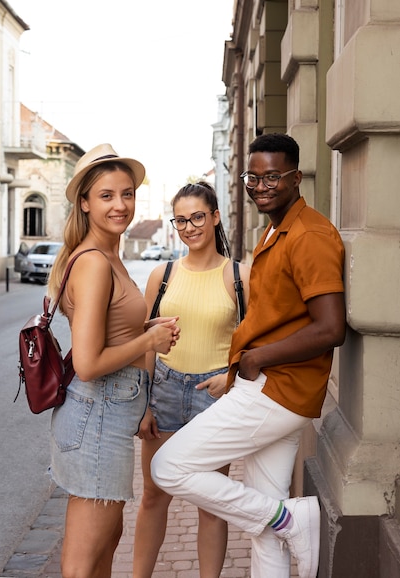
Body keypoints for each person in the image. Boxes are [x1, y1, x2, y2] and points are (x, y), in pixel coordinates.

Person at [151, 133, 346, 578]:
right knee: (264, 525)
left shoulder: (311, 235)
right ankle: (283, 519)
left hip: (275, 389)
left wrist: (256, 359)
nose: (261, 185)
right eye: (252, 177)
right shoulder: (276, 230)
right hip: (275, 387)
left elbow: (331, 327)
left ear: (297, 178)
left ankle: (289, 518)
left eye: (273, 176)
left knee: (169, 466)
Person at [47, 143, 180, 578]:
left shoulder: (108, 256)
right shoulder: (95, 264)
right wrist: (152, 340)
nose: (120, 205)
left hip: (108, 414)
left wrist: (144, 335)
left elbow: (107, 337)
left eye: (127, 193)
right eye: (106, 196)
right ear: (84, 203)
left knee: (106, 543)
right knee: (83, 561)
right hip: (96, 415)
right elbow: (87, 362)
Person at [133, 181, 250, 578]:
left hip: (213, 396)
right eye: (181, 219)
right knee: (153, 496)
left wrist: (231, 377)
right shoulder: (161, 275)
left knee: (211, 504)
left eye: (197, 217)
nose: (189, 227)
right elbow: (146, 342)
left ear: (215, 217)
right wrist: (144, 403)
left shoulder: (240, 276)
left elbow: (251, 344)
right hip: (164, 390)